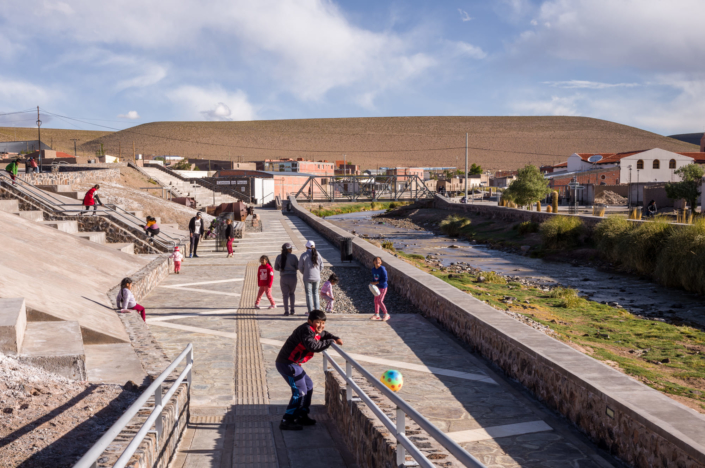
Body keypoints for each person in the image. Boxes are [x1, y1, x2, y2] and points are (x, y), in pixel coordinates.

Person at [275, 310, 343, 430]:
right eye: (318, 322)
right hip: (287, 363)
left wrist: (335, 337)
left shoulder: (314, 330)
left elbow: (324, 334)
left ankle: (302, 414)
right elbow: (313, 346)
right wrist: (330, 341)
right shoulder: (306, 330)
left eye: (323, 323)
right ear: (310, 321)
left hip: (294, 364)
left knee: (309, 385)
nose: (321, 326)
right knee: (300, 391)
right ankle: (287, 420)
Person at [298, 240, 322, 314]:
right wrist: (317, 273)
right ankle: (317, 311)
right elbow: (322, 266)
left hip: (307, 277)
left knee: (309, 294)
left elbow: (300, 267)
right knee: (316, 293)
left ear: (306, 247)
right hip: (317, 277)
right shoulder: (318, 254)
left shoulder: (304, 255)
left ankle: (310, 312)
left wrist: (304, 273)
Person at [275, 243, 299, 316]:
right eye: (291, 249)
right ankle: (292, 310)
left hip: (283, 277)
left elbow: (276, 268)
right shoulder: (294, 257)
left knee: (285, 295)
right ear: (289, 249)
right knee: (292, 293)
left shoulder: (279, 257)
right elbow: (298, 267)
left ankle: (286, 311)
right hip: (293, 277)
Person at [370, 256, 389, 321]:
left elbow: (385, 279)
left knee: (380, 301)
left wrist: (377, 282)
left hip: (383, 287)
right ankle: (376, 314)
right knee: (375, 301)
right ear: (373, 262)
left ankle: (386, 314)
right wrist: (373, 284)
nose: (377, 261)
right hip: (376, 287)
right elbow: (374, 278)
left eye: (379, 260)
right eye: (376, 260)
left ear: (381, 262)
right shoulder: (373, 269)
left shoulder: (382, 269)